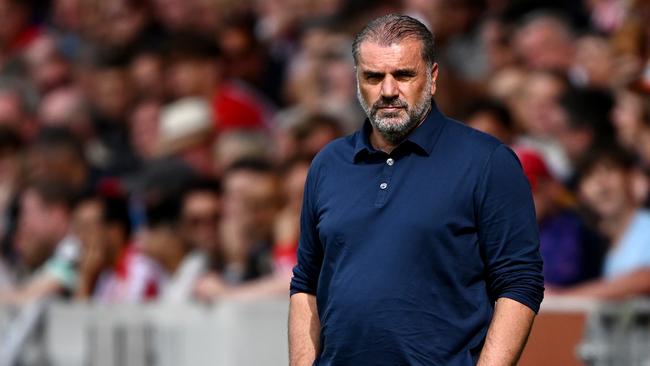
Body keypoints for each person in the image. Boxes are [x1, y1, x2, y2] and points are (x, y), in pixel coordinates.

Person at [288, 14, 544, 365]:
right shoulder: (328, 164)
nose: (389, 90)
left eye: (404, 75)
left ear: (433, 77)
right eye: (374, 77)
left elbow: (519, 282)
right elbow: (306, 283)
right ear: (357, 81)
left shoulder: (487, 162)